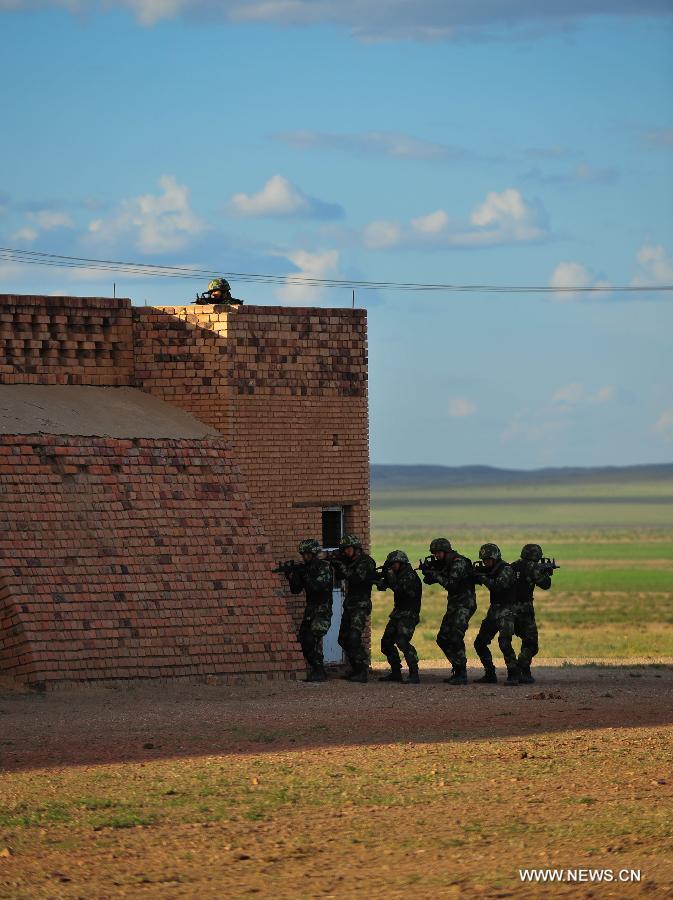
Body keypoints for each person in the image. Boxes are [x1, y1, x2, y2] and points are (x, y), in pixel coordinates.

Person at [421, 537, 476, 686]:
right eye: (435, 554)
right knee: (443, 638)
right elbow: (429, 580)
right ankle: (457, 668)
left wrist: (436, 574)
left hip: (465, 604)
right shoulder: (445, 563)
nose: (436, 556)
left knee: (455, 636)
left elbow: (451, 584)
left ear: (446, 551)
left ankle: (462, 673)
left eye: (438, 553)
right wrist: (429, 573)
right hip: (454, 605)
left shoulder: (459, 562)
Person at [286, 538, 333, 683]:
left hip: (322, 610)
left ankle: (319, 671)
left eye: (307, 554)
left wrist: (304, 574)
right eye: (303, 554)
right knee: (303, 640)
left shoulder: (323, 567)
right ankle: (318, 669)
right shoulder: (305, 569)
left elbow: (316, 586)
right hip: (310, 609)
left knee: (312, 639)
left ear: (313, 554)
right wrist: (292, 577)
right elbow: (296, 590)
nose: (305, 557)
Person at [472, 543, 520, 686]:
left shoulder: (506, 569)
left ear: (495, 558)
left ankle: (513, 674)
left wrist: (482, 577)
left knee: (504, 642)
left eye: (488, 560)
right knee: (480, 643)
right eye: (484, 560)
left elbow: (498, 586)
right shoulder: (490, 570)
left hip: (507, 611)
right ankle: (490, 673)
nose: (485, 563)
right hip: (494, 610)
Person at [332, 534, 377, 684]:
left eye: (348, 549)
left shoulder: (366, 562)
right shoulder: (349, 561)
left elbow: (355, 578)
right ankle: (355, 668)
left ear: (356, 548)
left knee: (353, 638)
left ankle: (362, 670)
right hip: (350, 605)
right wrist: (336, 563)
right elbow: (340, 576)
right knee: (343, 639)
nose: (346, 552)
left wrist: (341, 565)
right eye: (344, 550)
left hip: (360, 605)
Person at [376, 550, 422, 684]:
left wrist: (389, 576)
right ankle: (396, 672)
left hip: (409, 614)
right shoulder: (397, 574)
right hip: (398, 614)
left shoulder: (410, 575)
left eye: (393, 565)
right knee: (386, 643)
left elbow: (398, 588)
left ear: (401, 563)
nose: (392, 567)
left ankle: (414, 673)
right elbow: (384, 586)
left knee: (402, 641)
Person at [511, 543, 553, 684]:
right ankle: (519, 668)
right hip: (525, 610)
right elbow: (545, 584)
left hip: (509, 609)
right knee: (532, 643)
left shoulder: (512, 565)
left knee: (524, 640)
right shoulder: (533, 567)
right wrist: (546, 573)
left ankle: (525, 672)